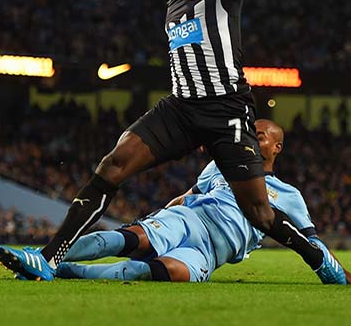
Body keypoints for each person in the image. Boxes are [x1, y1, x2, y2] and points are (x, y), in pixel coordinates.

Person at [0, 0, 345, 284]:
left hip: (226, 110)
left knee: (259, 212)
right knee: (113, 165)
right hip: (180, 109)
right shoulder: (173, 4)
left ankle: (322, 263)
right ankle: (49, 259)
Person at [53, 120, 350, 284]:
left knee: (158, 272)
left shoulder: (289, 196)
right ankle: (48, 256)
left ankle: (68, 271)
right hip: (190, 220)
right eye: (249, 136)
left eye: (259, 137)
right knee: (131, 239)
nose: (251, 141)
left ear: (277, 146)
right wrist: (159, 217)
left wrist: (343, 274)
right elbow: (189, 195)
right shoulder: (222, 166)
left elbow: (313, 244)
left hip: (210, 253)